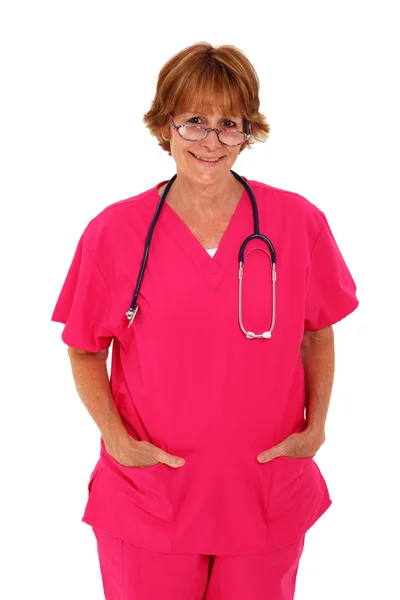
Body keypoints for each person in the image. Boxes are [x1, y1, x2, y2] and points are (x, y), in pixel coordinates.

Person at [51, 42, 359, 600]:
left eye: (229, 125)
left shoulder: (297, 222)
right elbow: (84, 349)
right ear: (165, 125)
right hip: (151, 497)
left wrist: (316, 428)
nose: (210, 142)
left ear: (249, 132)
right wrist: (117, 440)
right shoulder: (115, 233)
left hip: (263, 491)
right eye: (194, 122)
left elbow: (317, 332)